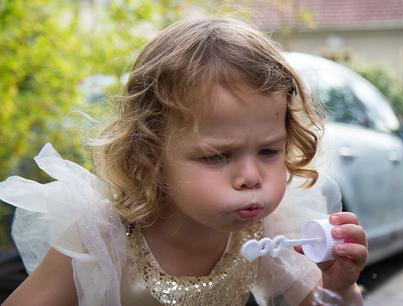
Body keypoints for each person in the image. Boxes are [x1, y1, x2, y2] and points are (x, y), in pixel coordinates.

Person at [0, 17, 367, 306]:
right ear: (151, 154)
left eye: (269, 152)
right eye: (217, 156)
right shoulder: (102, 240)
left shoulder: (267, 230)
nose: (251, 177)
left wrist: (339, 287)